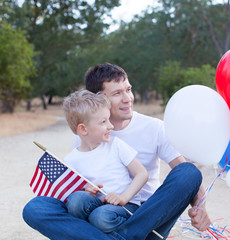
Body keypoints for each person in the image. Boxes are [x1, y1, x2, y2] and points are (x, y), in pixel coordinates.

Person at [23, 63, 211, 240]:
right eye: (117, 93)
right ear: (99, 98)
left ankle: (126, 234)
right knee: (36, 208)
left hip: (146, 216)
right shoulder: (86, 134)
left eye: (128, 90)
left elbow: (185, 175)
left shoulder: (154, 127)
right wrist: (86, 190)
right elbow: (82, 182)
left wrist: (200, 207)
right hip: (98, 212)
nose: (127, 98)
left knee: (189, 171)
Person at [62, 89, 148, 233]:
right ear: (83, 129)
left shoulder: (115, 145)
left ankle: (125, 233)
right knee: (77, 200)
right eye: (103, 122)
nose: (110, 126)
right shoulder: (71, 160)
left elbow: (142, 174)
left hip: (126, 206)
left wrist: (123, 198)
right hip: (97, 206)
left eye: (108, 119)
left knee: (101, 217)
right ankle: (93, 233)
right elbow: (73, 199)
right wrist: (86, 191)